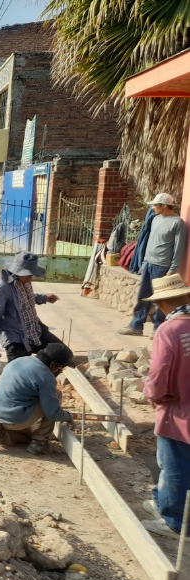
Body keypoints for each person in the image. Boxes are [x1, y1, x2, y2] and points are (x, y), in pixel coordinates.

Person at [138, 274, 190, 538]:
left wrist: (154, 395)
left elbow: (158, 374)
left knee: (174, 465)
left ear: (163, 303)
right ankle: (161, 503)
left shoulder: (169, 330)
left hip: (179, 411)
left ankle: (174, 522)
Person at [0, 343, 74, 455]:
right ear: (53, 365)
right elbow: (52, 413)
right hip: (15, 417)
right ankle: (40, 443)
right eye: (61, 367)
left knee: (26, 438)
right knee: (55, 396)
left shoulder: (20, 360)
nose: (60, 370)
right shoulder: (46, 376)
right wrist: (69, 417)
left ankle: (0, 434)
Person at [119, 193, 187, 337]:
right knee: (143, 297)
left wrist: (172, 269)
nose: (153, 207)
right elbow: (150, 242)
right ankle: (136, 325)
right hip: (149, 264)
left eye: (155, 205)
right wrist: (144, 262)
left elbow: (178, 247)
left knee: (159, 301)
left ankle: (158, 329)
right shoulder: (155, 219)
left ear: (164, 206)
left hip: (163, 267)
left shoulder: (177, 223)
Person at [0, 251, 63, 362]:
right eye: (28, 275)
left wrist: (44, 297)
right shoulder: (1, 289)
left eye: (32, 275)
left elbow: (25, 299)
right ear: (17, 272)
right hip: (17, 338)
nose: (30, 278)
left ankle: (39, 377)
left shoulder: (25, 281)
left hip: (35, 331)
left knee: (62, 354)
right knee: (16, 374)